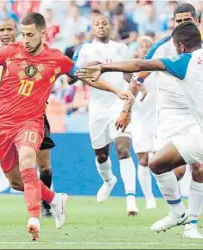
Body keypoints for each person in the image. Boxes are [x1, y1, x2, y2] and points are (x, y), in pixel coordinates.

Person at [0, 12, 133, 241]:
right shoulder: (10, 51)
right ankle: (55, 199)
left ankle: (34, 218)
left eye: (30, 35)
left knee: (28, 163)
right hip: (4, 123)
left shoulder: (56, 58)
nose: (25, 39)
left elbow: (85, 76)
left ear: (42, 34)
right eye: (22, 35)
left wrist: (115, 91)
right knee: (16, 182)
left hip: (31, 122)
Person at [76, 21, 203, 237]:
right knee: (158, 162)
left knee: (158, 164)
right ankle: (180, 214)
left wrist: (104, 67)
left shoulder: (185, 62)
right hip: (196, 133)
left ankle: (179, 213)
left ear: (181, 46)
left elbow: (139, 66)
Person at [0, 18, 56, 218]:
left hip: (34, 116)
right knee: (17, 177)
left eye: (9, 29)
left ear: (18, 31)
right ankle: (50, 199)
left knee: (44, 166)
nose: (6, 33)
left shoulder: (29, 53)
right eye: (2, 29)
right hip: (8, 118)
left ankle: (47, 204)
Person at [73, 14, 139, 216]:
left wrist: (133, 90)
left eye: (105, 24)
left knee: (123, 150)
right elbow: (74, 74)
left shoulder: (121, 48)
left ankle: (131, 200)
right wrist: (85, 68)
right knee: (101, 155)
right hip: (98, 108)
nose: (101, 27)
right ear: (92, 28)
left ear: (110, 27)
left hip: (118, 103)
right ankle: (109, 180)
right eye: (97, 24)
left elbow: (129, 75)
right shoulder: (85, 49)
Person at [131, 36, 157, 209]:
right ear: (138, 50)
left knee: (159, 158)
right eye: (143, 46)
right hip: (139, 119)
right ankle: (149, 198)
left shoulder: (159, 68)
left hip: (158, 118)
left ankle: (171, 195)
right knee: (143, 159)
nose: (146, 48)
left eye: (149, 46)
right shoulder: (132, 72)